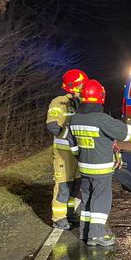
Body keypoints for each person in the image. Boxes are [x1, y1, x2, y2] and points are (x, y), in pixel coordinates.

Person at [69, 80, 131, 246]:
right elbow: (125, 133)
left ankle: (86, 232)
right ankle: (97, 236)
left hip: (84, 167)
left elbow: (72, 144)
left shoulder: (75, 118)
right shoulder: (101, 119)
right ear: (101, 97)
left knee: (87, 198)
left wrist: (80, 157)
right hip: (101, 169)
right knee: (101, 198)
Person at [46, 69, 87, 230]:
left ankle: (69, 213)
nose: (83, 89)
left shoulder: (80, 103)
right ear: (73, 86)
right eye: (81, 86)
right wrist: (69, 136)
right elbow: (52, 125)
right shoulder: (59, 102)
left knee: (75, 185)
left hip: (77, 153)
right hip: (64, 154)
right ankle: (58, 218)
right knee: (63, 186)